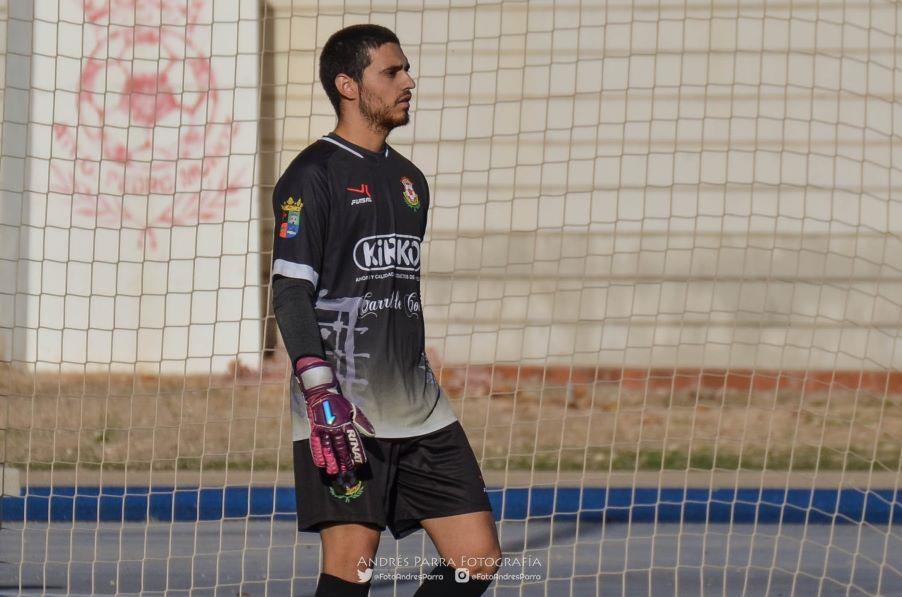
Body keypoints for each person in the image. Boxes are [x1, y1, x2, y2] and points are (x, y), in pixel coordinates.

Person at [270, 24, 502, 596]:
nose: (409, 82)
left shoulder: (409, 182)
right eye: (392, 72)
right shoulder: (311, 177)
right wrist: (319, 390)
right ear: (348, 85)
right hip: (343, 410)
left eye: (406, 70)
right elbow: (290, 292)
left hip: (422, 410)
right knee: (353, 565)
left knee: (477, 558)